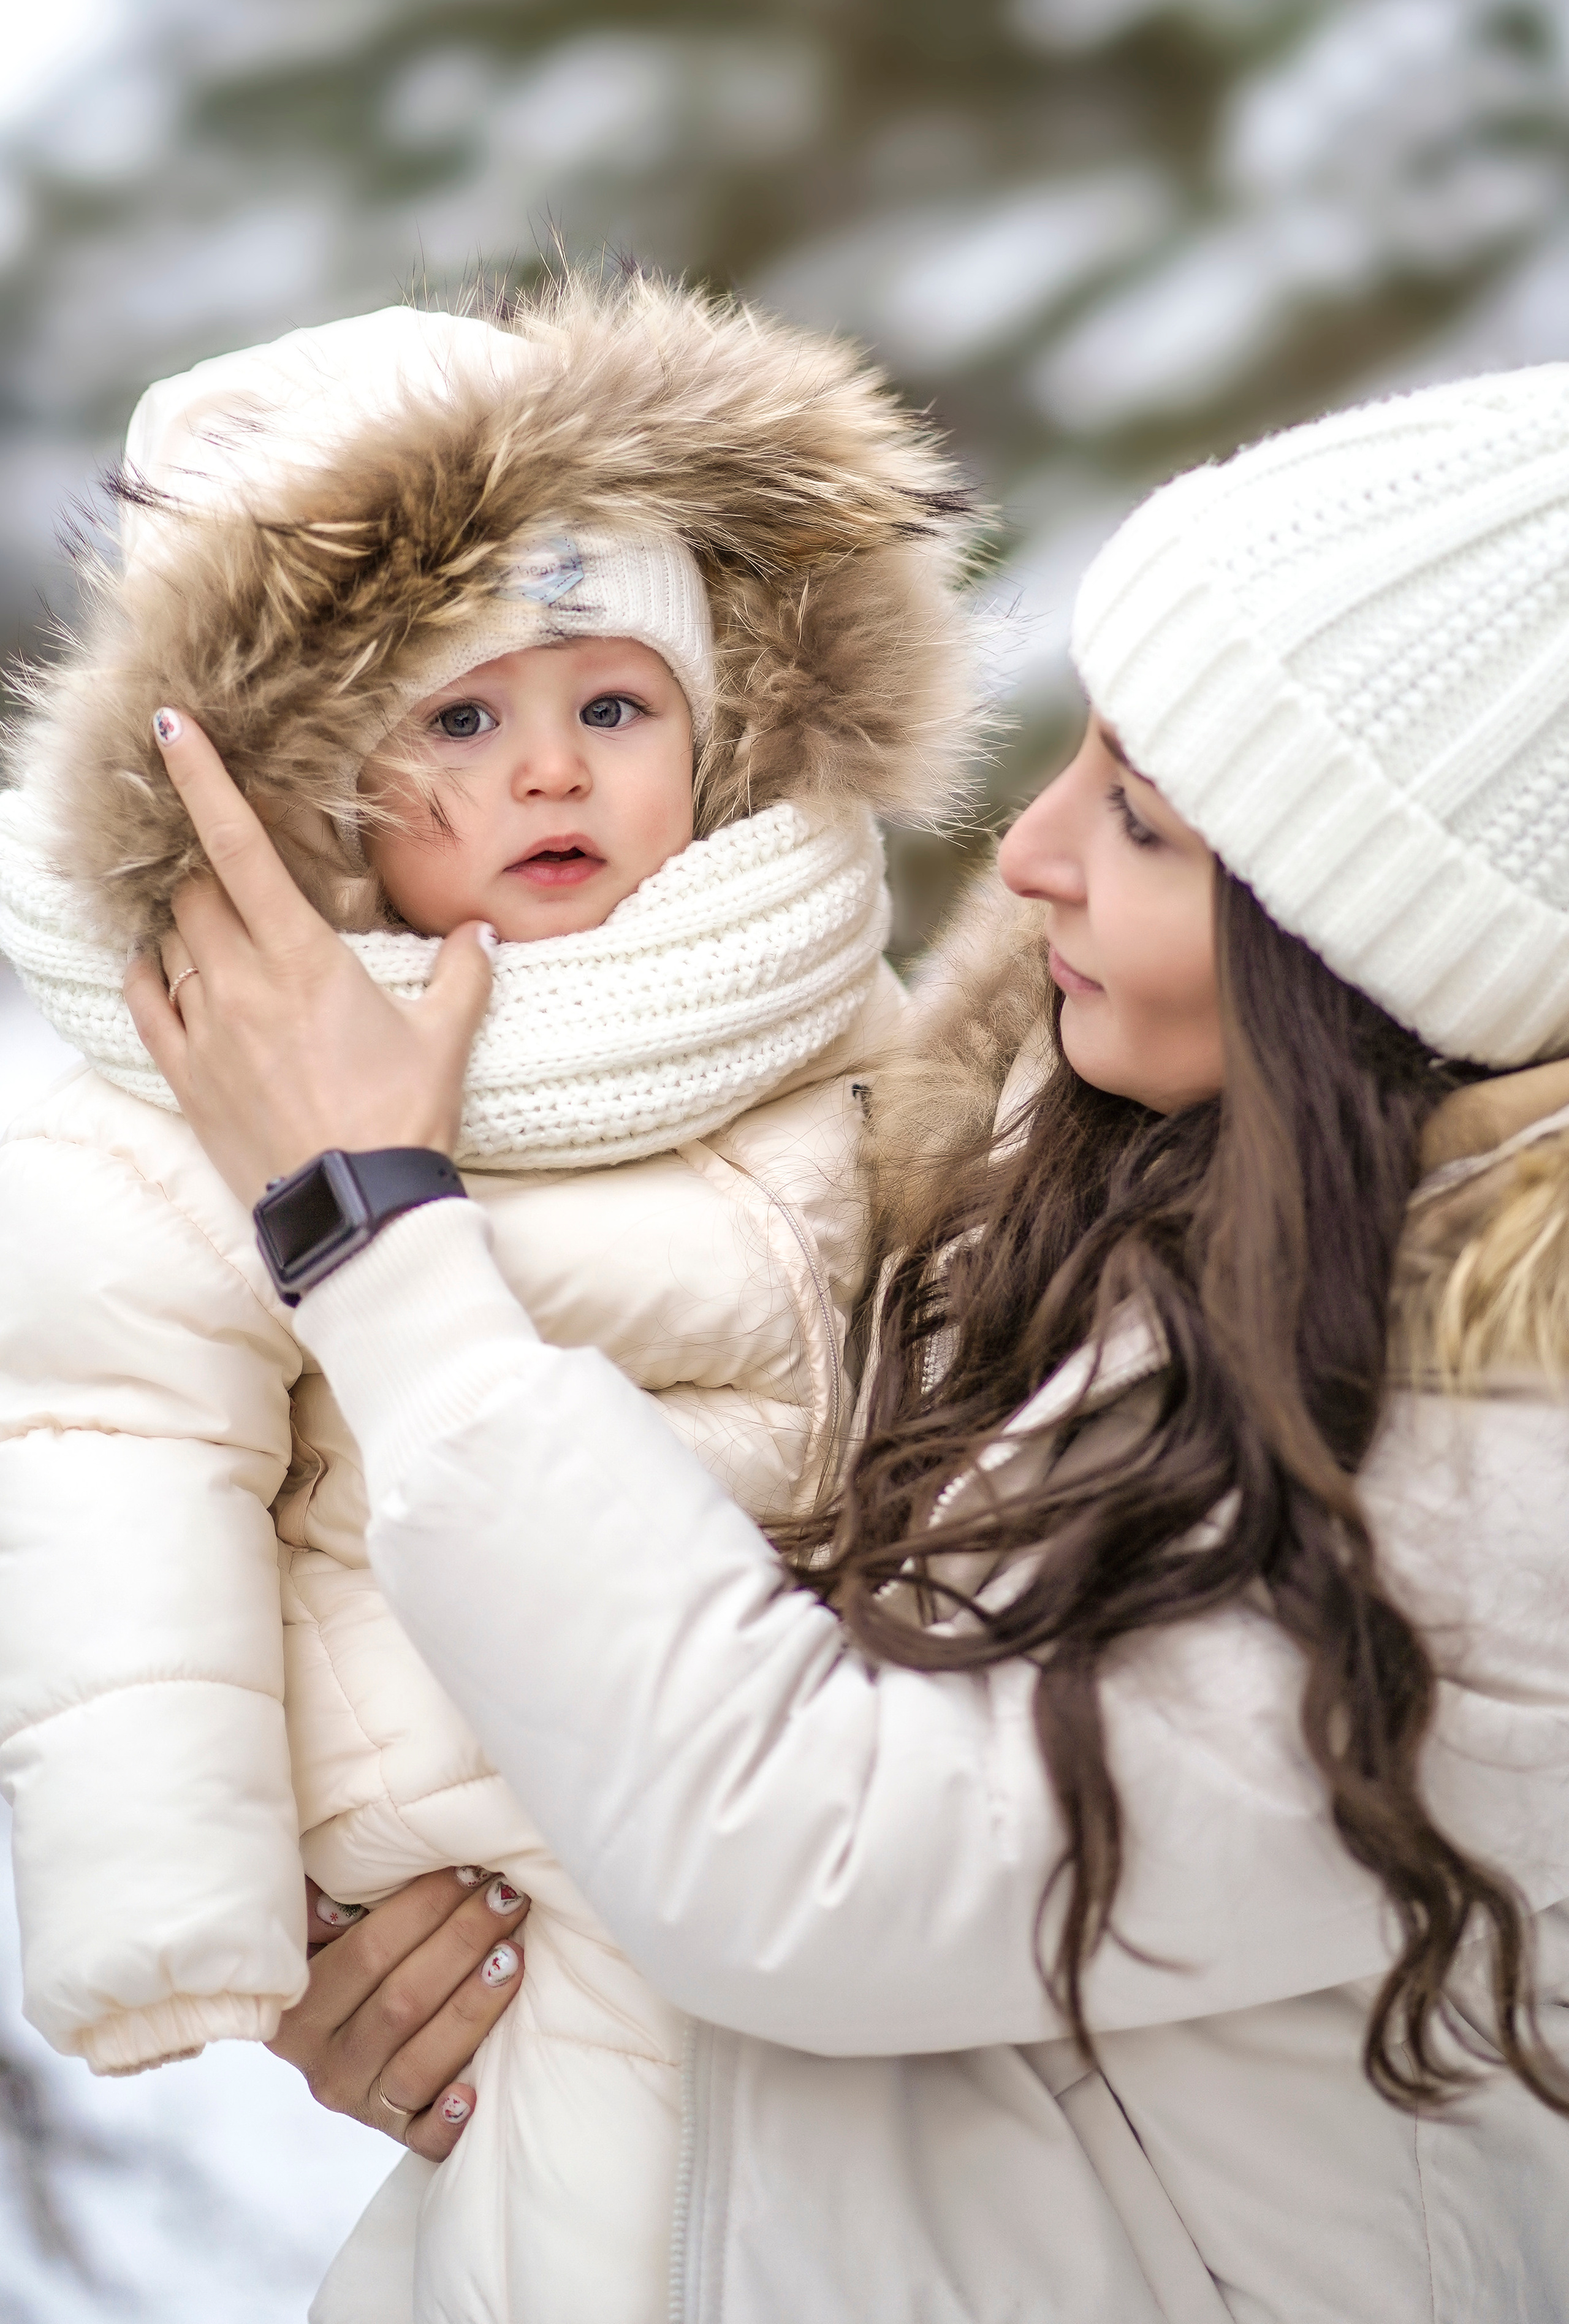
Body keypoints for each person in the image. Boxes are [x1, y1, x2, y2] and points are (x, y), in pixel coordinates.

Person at [105, 368, 1569, 2320]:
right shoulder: (1070, 1152)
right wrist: (439, 1935)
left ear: (1373, 958)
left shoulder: (1506, 1466)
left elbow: (826, 1866)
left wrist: (366, 1228)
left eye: (1138, 819)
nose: (1028, 849)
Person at [0, 278, 982, 2324]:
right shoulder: (197, 1100)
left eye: (611, 708)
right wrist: (172, 1905)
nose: (552, 774)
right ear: (302, 789)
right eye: (460, 719)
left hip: (853, 1817)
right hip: (496, 1854)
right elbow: (103, 1464)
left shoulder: (794, 999)